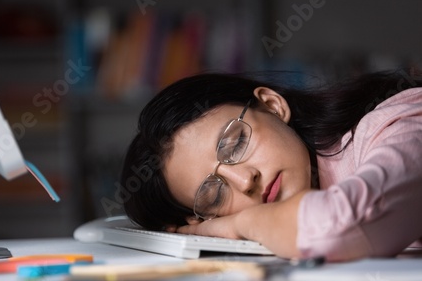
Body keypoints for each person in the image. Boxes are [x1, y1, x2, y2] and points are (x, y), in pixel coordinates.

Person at [120, 70, 422, 262]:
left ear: (272, 105)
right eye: (213, 195)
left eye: (236, 144)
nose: (244, 180)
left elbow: (339, 225)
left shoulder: (395, 123)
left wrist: (235, 224)